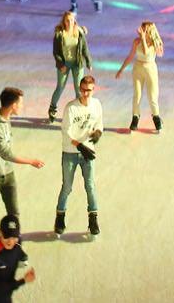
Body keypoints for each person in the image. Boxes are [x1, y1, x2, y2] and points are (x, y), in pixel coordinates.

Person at [0, 87, 44, 244]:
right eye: (20, 103)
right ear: (13, 105)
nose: (22, 106)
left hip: (8, 173)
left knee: (14, 211)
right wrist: (31, 161)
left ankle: (15, 241)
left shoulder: (5, 119)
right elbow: (5, 153)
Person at [54, 75, 103, 238]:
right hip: (70, 152)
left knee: (90, 186)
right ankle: (60, 218)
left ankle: (93, 219)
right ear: (79, 89)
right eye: (83, 90)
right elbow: (66, 131)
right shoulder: (71, 107)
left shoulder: (96, 105)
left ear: (93, 89)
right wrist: (79, 145)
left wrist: (97, 133)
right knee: (67, 187)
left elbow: (99, 124)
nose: (85, 93)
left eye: (89, 90)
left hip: (88, 152)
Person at [115, 21, 164, 133]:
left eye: (145, 30)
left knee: (152, 97)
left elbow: (146, 52)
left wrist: (143, 39)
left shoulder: (154, 43)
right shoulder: (136, 42)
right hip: (138, 68)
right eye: (142, 29)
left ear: (150, 31)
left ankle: (157, 119)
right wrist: (121, 69)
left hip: (150, 69)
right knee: (137, 95)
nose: (142, 32)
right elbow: (131, 56)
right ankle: (135, 118)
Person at [48, 11, 93, 123]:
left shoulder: (79, 32)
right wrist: (61, 64)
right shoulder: (59, 34)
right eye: (67, 20)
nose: (70, 22)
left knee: (79, 88)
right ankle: (52, 108)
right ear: (64, 21)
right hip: (64, 64)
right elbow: (56, 52)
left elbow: (84, 48)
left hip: (77, 63)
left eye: (72, 20)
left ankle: (79, 112)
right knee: (60, 87)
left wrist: (88, 62)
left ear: (74, 21)